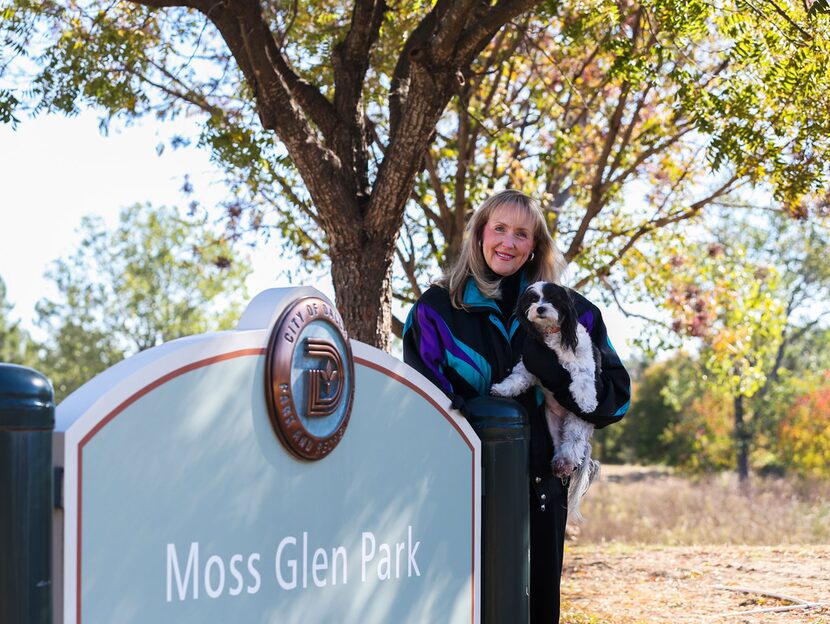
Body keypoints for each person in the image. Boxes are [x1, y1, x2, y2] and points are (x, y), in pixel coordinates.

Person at [402, 189, 630, 623]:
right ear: (480, 234)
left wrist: (556, 377)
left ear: (535, 246)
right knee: (467, 607)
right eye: (499, 228)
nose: (508, 242)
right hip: (462, 488)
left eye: (521, 233)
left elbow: (617, 398)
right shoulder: (436, 310)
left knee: (535, 605)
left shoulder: (573, 309)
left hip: (544, 484)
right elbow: (423, 403)